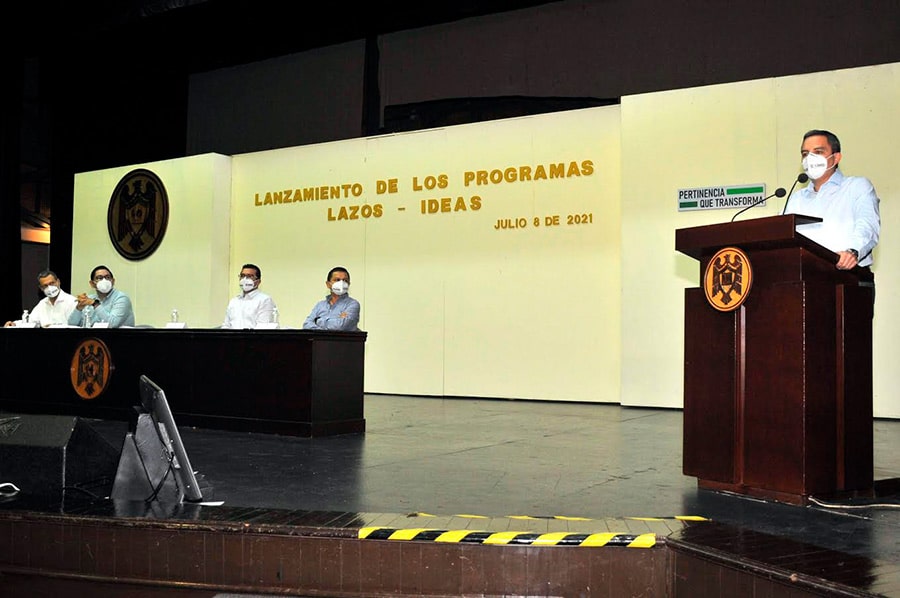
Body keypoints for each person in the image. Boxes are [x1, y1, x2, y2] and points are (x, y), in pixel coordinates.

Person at [783, 129, 880, 272]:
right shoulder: (796, 198)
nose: (810, 158)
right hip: (805, 275)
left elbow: (867, 225)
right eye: (805, 154)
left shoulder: (857, 186)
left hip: (848, 275)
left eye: (818, 152)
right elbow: (783, 236)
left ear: (836, 158)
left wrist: (852, 252)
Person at [4, 269, 78, 327]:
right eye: (45, 286)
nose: (49, 288)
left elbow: (75, 325)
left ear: (58, 282)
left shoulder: (71, 301)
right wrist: (15, 324)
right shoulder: (42, 304)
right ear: (41, 288)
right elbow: (30, 322)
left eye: (52, 283)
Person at [67, 265, 136, 327]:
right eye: (99, 278)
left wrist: (95, 304)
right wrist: (79, 308)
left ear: (113, 281)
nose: (104, 280)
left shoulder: (121, 298)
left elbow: (112, 324)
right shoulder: (89, 299)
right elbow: (71, 325)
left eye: (107, 277)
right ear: (92, 284)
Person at [303, 266, 360, 331]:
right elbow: (306, 325)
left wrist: (317, 321)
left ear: (349, 284)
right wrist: (335, 320)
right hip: (319, 338)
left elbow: (340, 326)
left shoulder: (352, 304)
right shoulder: (320, 305)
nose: (341, 283)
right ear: (328, 284)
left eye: (345, 280)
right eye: (337, 280)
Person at [221, 263, 277, 329]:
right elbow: (226, 325)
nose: (245, 279)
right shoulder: (234, 301)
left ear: (258, 281)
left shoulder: (265, 300)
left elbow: (263, 327)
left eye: (249, 276)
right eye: (242, 276)